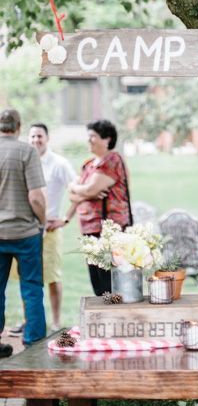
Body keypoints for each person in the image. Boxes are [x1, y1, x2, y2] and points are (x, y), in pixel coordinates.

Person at [66, 119, 132, 296]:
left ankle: (115, 321)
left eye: (93, 136)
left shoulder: (112, 160)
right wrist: (83, 192)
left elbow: (89, 188)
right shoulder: (89, 164)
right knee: (97, 281)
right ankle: (104, 319)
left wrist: (77, 188)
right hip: (90, 228)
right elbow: (76, 196)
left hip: (110, 229)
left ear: (107, 139)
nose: (88, 140)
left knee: (110, 282)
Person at [0, 108, 47, 355]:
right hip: (25, 232)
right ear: (19, 127)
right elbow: (36, 197)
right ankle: (34, 344)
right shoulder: (26, 152)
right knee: (31, 288)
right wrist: (43, 221)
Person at [28, 123, 76, 330]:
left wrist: (65, 219)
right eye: (32, 136)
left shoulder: (59, 163)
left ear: (47, 138)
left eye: (39, 136)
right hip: (27, 230)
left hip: (50, 229)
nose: (36, 140)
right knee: (29, 277)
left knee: (53, 276)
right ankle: (28, 321)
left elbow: (77, 191)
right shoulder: (26, 161)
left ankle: (56, 323)